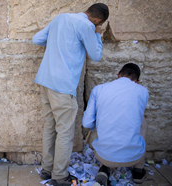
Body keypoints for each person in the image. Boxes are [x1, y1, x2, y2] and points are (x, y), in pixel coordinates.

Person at [32, 3, 109, 186]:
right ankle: (59, 176)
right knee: (64, 132)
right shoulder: (87, 26)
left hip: (45, 80)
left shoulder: (61, 18)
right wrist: (97, 33)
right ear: (98, 20)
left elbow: (37, 39)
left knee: (50, 127)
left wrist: (55, 44)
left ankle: (46, 169)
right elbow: (96, 55)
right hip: (62, 86)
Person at [82, 63, 149, 185]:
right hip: (133, 158)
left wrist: (98, 124)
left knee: (104, 120)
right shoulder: (143, 92)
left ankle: (105, 168)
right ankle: (138, 171)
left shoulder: (99, 89)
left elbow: (86, 123)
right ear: (137, 81)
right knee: (142, 122)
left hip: (103, 156)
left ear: (118, 74)